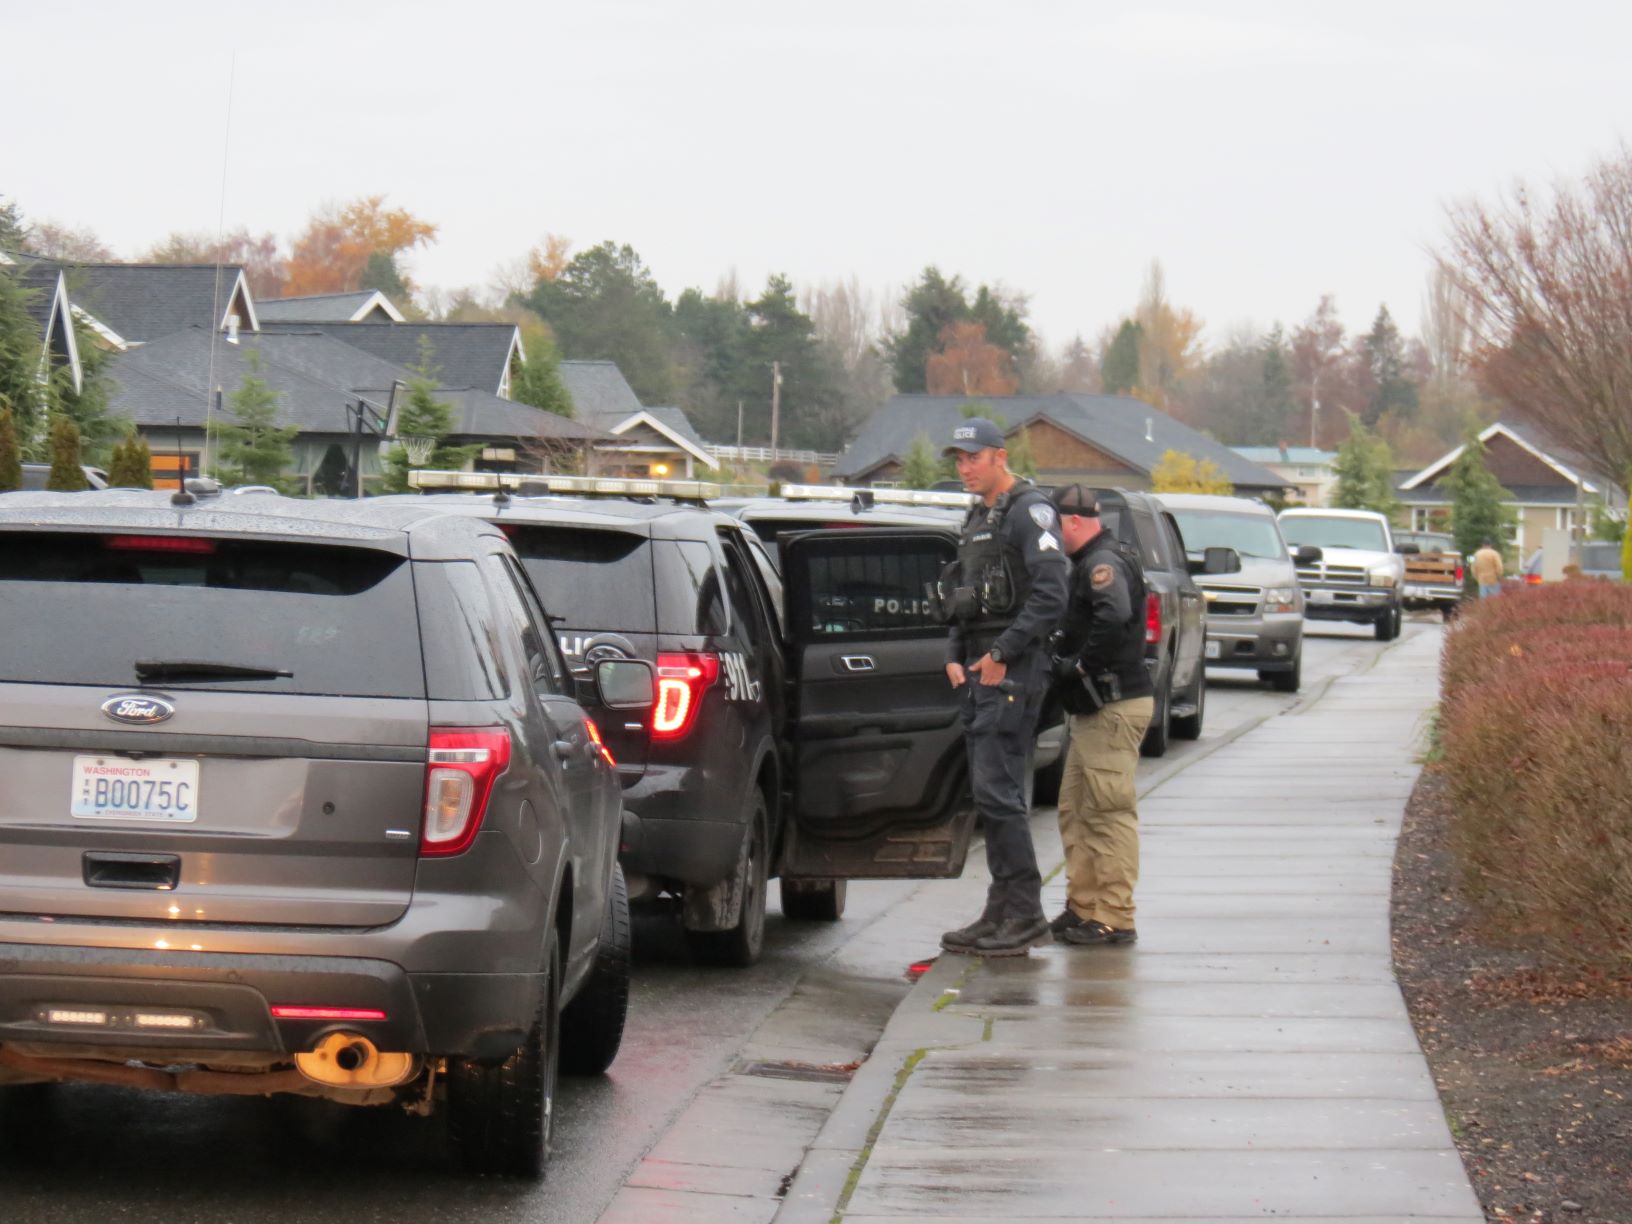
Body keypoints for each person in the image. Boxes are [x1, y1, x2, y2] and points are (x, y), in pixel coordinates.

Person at [935, 418, 1069, 957]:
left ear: (999, 456)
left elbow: (1052, 595)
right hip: (979, 668)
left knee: (1002, 795)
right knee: (990, 795)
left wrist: (1000, 653)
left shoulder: (1028, 511)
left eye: (973, 458)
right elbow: (963, 596)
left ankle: (1025, 913)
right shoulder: (978, 517)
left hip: (1012, 669)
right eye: (959, 460)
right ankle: (1001, 907)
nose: (965, 468)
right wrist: (954, 654)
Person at [1047, 485, 1155, 946]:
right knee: (1077, 808)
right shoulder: (1091, 560)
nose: (1052, 535)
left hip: (1112, 704)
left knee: (1108, 811)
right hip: (1095, 709)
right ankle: (1083, 905)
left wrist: (1081, 664)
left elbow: (1113, 615)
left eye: (1055, 525)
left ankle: (1115, 915)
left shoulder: (1101, 563)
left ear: (1073, 521)